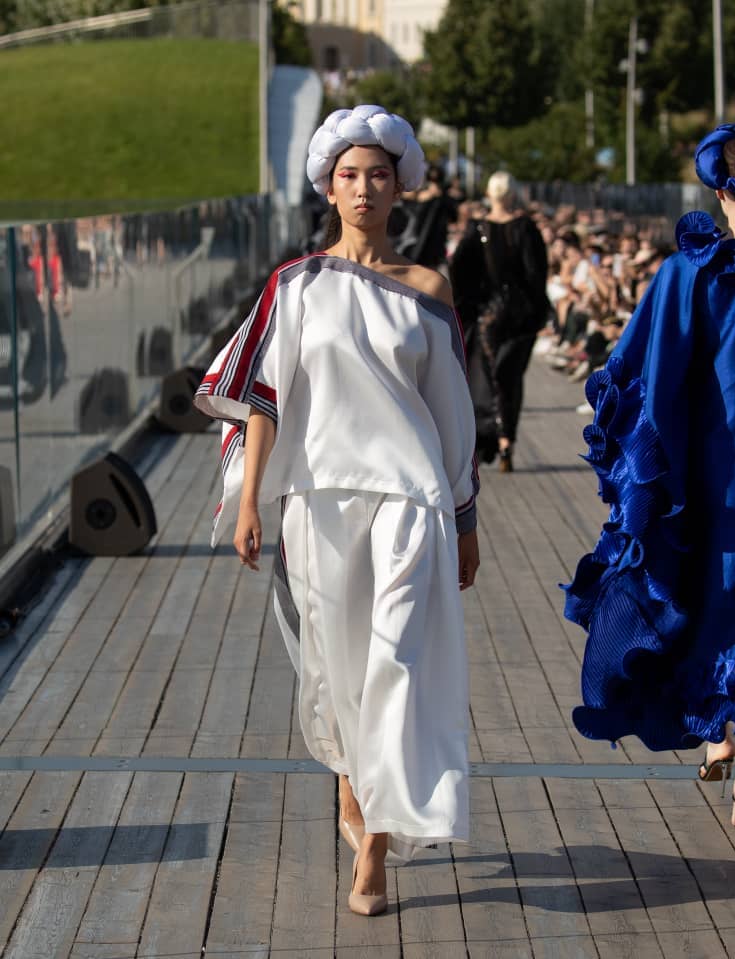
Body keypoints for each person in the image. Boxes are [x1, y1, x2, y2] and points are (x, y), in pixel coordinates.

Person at [194, 104, 480, 912]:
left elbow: (452, 416)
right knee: (336, 668)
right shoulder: (297, 285)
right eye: (349, 175)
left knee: (395, 661)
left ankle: (376, 849)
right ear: (329, 185)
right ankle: (353, 789)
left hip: (409, 503)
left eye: (378, 175)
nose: (363, 188)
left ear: (400, 188)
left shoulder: (428, 289)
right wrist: (251, 500)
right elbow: (263, 399)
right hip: (319, 504)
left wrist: (464, 520)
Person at [562, 124, 735, 825]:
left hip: (710, 481)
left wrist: (645, 477)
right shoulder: (694, 274)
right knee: (722, 605)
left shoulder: (688, 274)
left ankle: (726, 742)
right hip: (717, 479)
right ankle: (728, 742)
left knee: (718, 602)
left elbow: (631, 375)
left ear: (720, 190)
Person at [449, 171, 549, 470]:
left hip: (488, 316)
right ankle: (506, 440)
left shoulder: (478, 229)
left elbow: (458, 270)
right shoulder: (525, 229)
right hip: (519, 317)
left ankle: (486, 437)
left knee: (488, 376)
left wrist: (470, 303)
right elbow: (537, 275)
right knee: (509, 378)